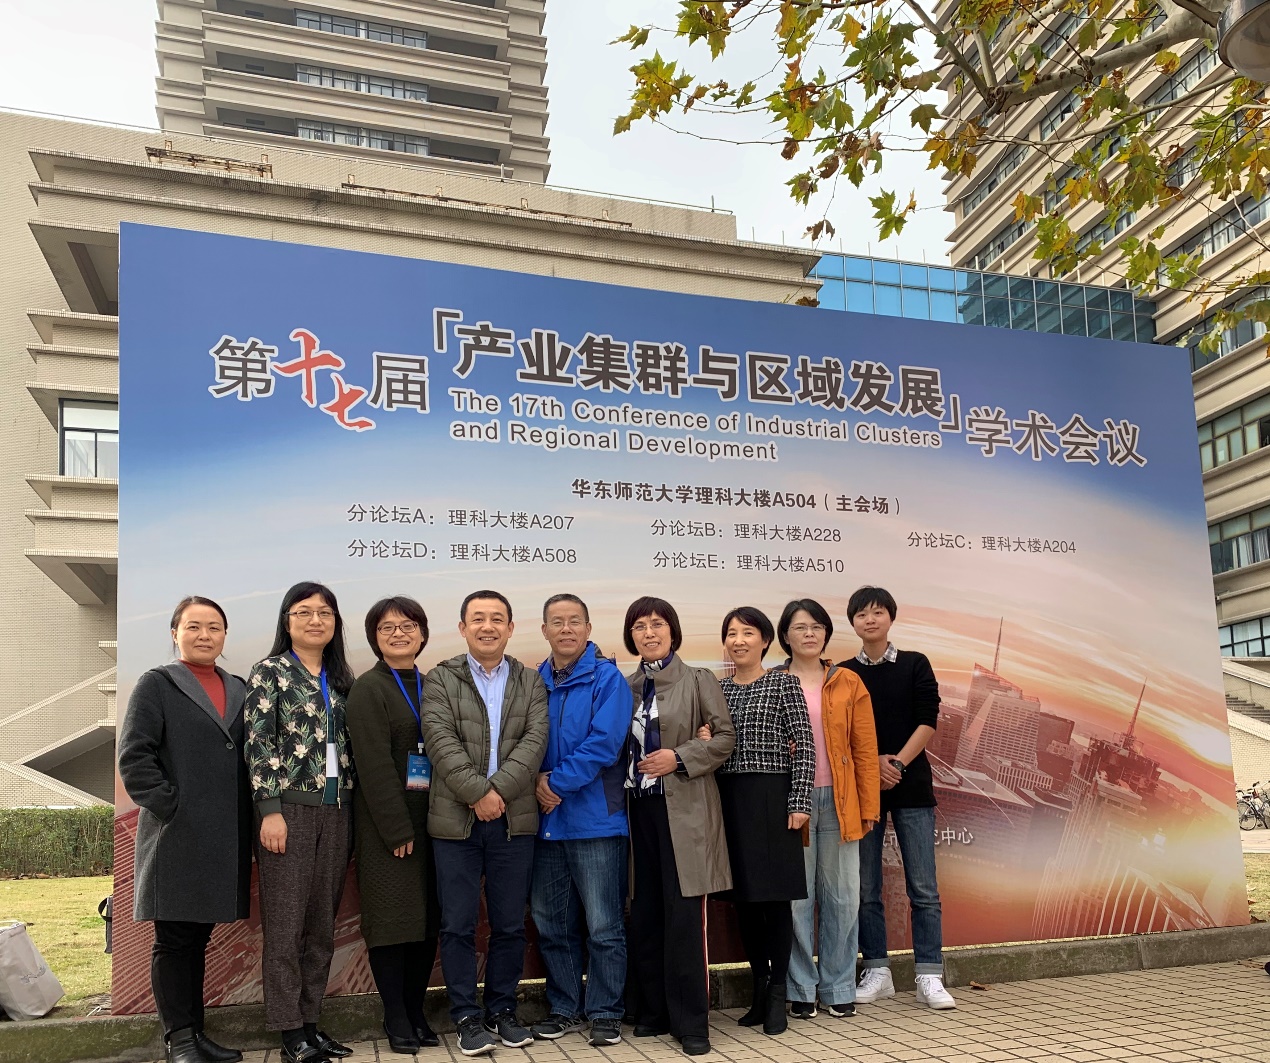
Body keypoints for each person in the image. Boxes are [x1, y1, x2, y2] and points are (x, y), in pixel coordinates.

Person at [117, 596, 251, 1063]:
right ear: (175, 633)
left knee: (198, 939)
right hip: (176, 835)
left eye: (214, 627)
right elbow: (134, 756)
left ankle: (196, 1035)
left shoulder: (239, 688)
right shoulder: (157, 684)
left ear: (225, 635)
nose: (204, 635)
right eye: (193, 626)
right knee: (174, 940)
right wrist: (171, 806)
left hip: (223, 836)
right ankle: (179, 1040)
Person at [421, 590, 549, 1057]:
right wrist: (478, 794)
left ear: (511, 628)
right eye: (478, 618)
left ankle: (501, 1009)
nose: (487, 626)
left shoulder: (530, 680)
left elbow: (535, 740)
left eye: (497, 619)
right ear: (462, 628)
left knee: (509, 924)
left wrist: (497, 794)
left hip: (513, 820)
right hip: (456, 821)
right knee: (457, 924)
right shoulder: (441, 677)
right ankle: (465, 1017)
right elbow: (439, 740)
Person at [245, 582, 357, 1063]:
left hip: (338, 811)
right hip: (287, 811)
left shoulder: (343, 679)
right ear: (287, 621)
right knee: (286, 925)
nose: (316, 620)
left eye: (325, 613)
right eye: (304, 612)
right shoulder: (269, 671)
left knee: (321, 925)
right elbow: (259, 742)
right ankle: (290, 1031)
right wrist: (269, 809)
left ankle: (312, 1023)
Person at [623, 596, 735, 1057]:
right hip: (638, 813)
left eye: (657, 624)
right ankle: (653, 1013)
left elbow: (725, 738)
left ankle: (692, 1023)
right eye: (640, 626)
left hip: (685, 812)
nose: (649, 633)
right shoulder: (626, 686)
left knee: (685, 918)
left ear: (672, 630)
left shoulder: (698, 679)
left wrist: (681, 756)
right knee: (646, 914)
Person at [841, 586, 955, 1010]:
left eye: (877, 613)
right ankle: (877, 971)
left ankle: (929, 974)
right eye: (862, 614)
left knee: (923, 887)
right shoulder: (845, 673)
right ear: (853, 622)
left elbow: (928, 721)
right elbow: (842, 731)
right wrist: (874, 767)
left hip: (912, 786)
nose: (870, 620)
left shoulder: (914, 663)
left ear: (890, 617)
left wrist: (898, 765)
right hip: (863, 788)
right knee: (866, 887)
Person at [528, 593, 631, 1048]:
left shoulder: (608, 679)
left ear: (588, 629)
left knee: (604, 926)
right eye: (557, 622)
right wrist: (533, 780)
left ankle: (606, 1012)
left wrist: (555, 783)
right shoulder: (533, 682)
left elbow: (604, 744)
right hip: (546, 825)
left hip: (595, 822)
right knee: (552, 923)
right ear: (544, 630)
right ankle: (565, 1008)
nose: (566, 629)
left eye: (575, 621)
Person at [345, 597, 441, 1055]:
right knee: (392, 921)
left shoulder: (433, 685)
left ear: (422, 633)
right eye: (387, 628)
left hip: (436, 821)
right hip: (389, 826)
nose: (399, 633)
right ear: (374, 638)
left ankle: (416, 1010)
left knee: (426, 921)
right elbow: (373, 764)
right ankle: (396, 1015)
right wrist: (396, 827)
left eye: (408, 625)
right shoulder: (369, 688)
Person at [775, 598, 879, 1020]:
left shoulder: (848, 682)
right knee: (796, 899)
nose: (809, 634)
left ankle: (837, 986)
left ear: (827, 634)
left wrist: (868, 807)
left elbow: (865, 750)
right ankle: (801, 987)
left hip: (840, 801)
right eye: (800, 627)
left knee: (843, 897)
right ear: (785, 635)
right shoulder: (772, 682)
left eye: (817, 626)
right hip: (792, 803)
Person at [714, 606, 814, 1036]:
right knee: (745, 902)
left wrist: (799, 801)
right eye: (731, 633)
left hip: (773, 800)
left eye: (748, 633)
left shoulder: (782, 683)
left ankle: (777, 993)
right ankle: (758, 988)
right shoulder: (717, 688)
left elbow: (804, 744)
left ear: (766, 641)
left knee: (775, 901)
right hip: (730, 800)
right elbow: (710, 742)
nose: (739, 641)